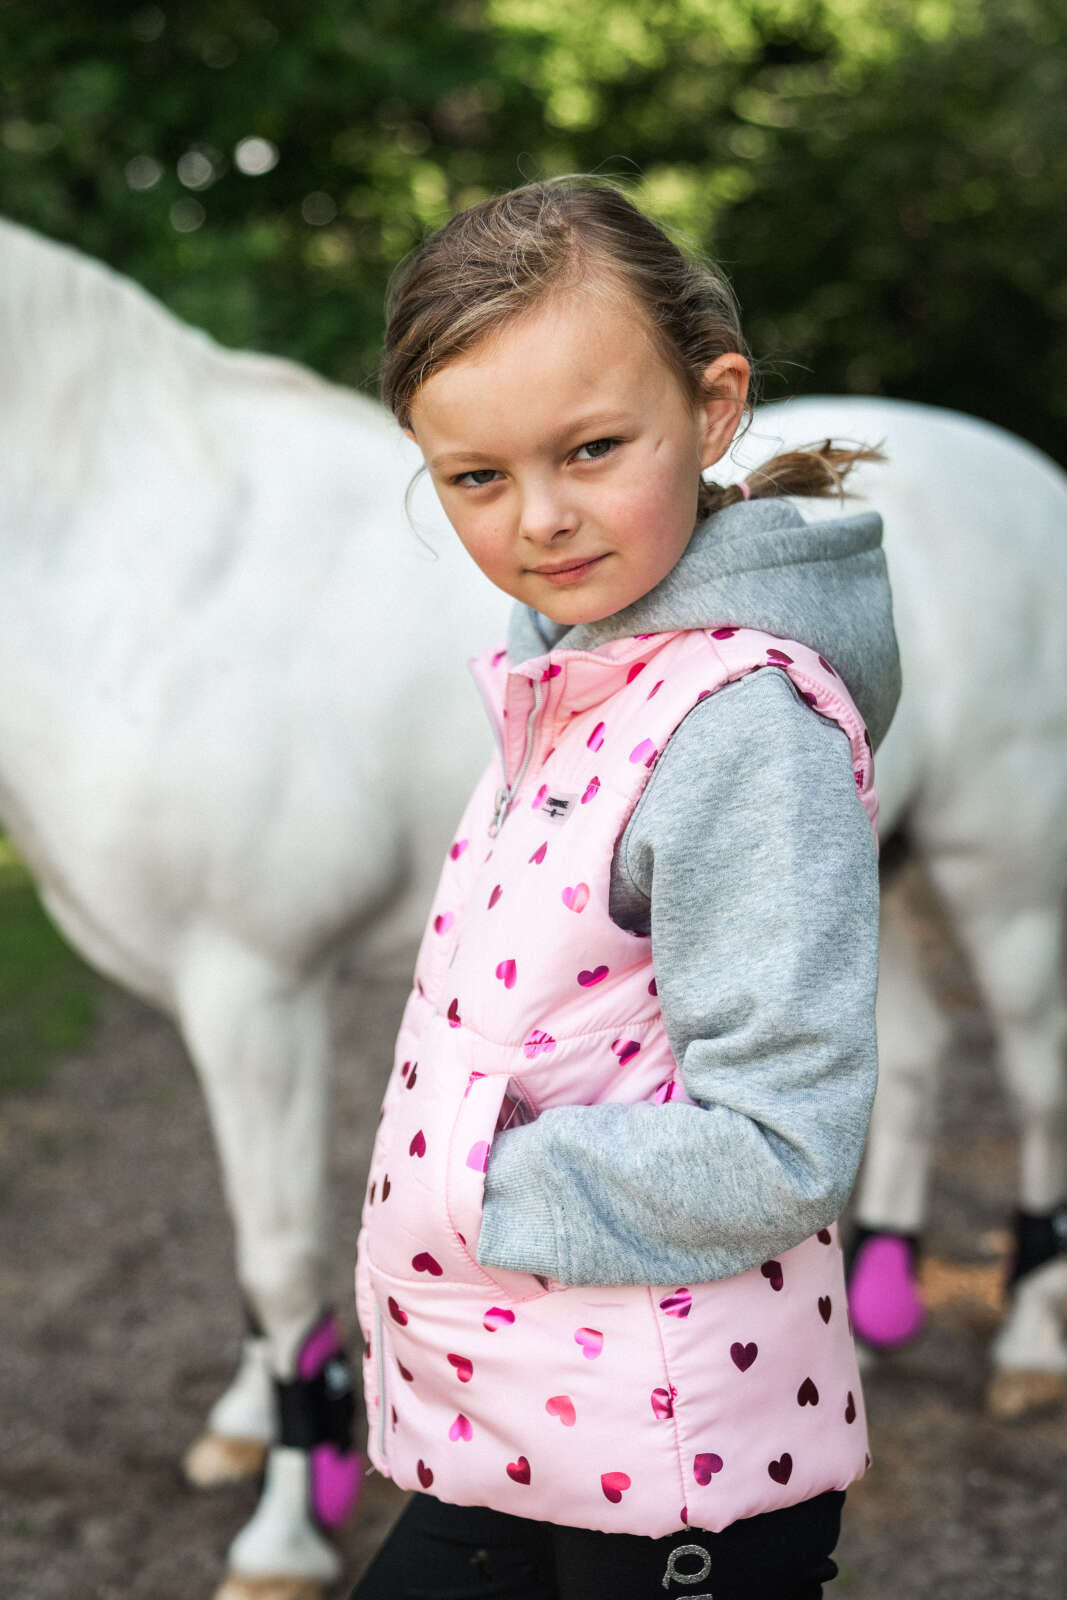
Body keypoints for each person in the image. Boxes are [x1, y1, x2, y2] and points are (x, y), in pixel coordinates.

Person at [350, 178, 900, 1600]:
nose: (539, 518)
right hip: (525, 1413)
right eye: (476, 478)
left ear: (716, 407)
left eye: (593, 449)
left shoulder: (743, 725)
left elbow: (785, 1139)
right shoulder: (575, 677)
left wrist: (469, 1178)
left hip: (675, 1469)